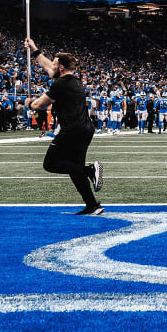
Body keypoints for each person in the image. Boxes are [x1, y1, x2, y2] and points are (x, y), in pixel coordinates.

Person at [24, 38, 104, 215]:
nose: (50, 66)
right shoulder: (74, 80)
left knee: (51, 163)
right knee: (73, 167)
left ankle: (90, 170)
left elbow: (38, 105)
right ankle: (92, 205)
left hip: (72, 130)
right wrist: (34, 49)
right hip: (84, 128)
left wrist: (29, 103)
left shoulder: (61, 84)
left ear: (60, 67)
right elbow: (47, 66)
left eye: (54, 64)